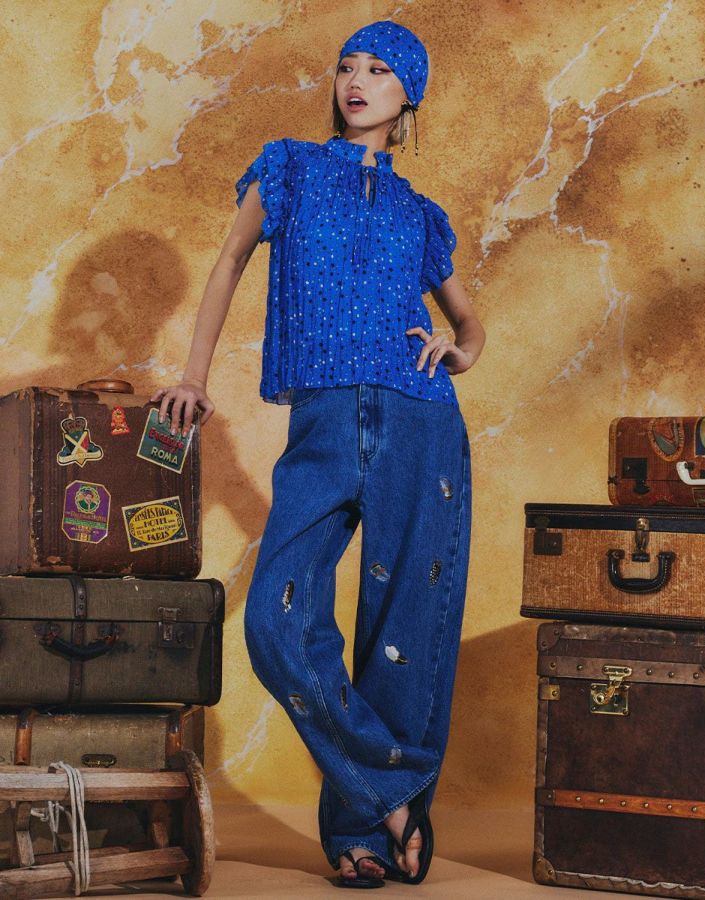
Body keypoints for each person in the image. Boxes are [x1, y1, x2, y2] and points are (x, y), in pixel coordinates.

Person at [151, 18, 485, 889]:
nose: (356, 81)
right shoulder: (288, 170)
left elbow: (468, 320)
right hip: (326, 422)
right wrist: (194, 377)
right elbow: (229, 263)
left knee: (404, 625)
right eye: (346, 67)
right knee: (277, 620)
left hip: (420, 419)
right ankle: (396, 795)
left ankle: (358, 833)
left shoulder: (420, 215)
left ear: (408, 95)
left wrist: (459, 349)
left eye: (379, 70)